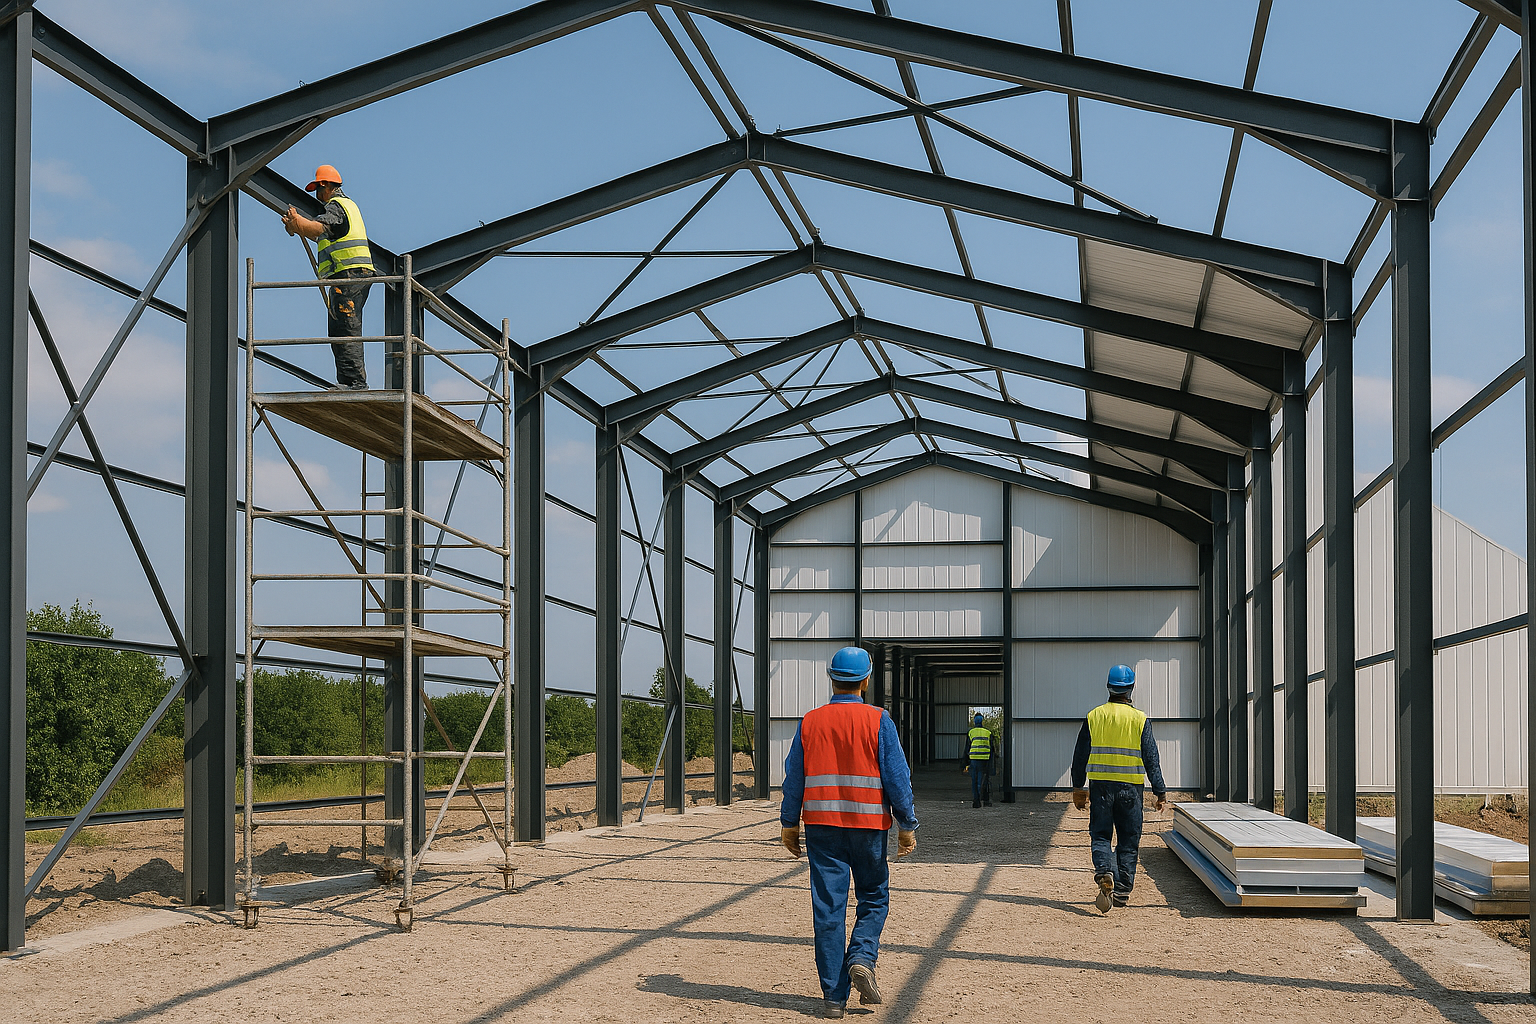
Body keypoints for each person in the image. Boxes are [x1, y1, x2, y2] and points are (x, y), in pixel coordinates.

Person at [781, 646, 918, 1019]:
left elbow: (795, 777)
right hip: (869, 827)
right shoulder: (879, 720)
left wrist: (788, 823)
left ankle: (833, 998)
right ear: (867, 680)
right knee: (873, 896)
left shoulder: (810, 722)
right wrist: (907, 825)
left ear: (831, 678)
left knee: (828, 908)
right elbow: (897, 778)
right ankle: (861, 956)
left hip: (822, 828)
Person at [1070, 664, 1166, 914]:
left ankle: (1104, 871)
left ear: (1108, 687)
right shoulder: (1140, 719)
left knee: (1101, 835)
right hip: (1130, 791)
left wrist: (1078, 787)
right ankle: (1121, 891)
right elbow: (1151, 758)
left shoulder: (1094, 716)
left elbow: (1080, 756)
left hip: (1100, 787)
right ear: (1131, 688)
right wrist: (1160, 791)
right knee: (1128, 840)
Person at [279, 164, 374, 390]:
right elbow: (319, 233)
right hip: (348, 274)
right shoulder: (344, 208)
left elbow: (317, 229)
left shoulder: (337, 207)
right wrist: (297, 227)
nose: (317, 196)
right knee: (338, 327)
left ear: (325, 185)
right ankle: (348, 382)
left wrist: (299, 223)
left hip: (350, 274)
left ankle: (355, 384)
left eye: (317, 189)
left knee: (346, 326)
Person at [962, 712, 993, 808]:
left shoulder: (971, 732)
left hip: (974, 760)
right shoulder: (988, 732)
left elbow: (967, 748)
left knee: (974, 781)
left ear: (974, 721)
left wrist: (964, 763)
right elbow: (992, 749)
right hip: (984, 760)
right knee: (982, 780)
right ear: (982, 720)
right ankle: (983, 799)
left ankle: (976, 801)